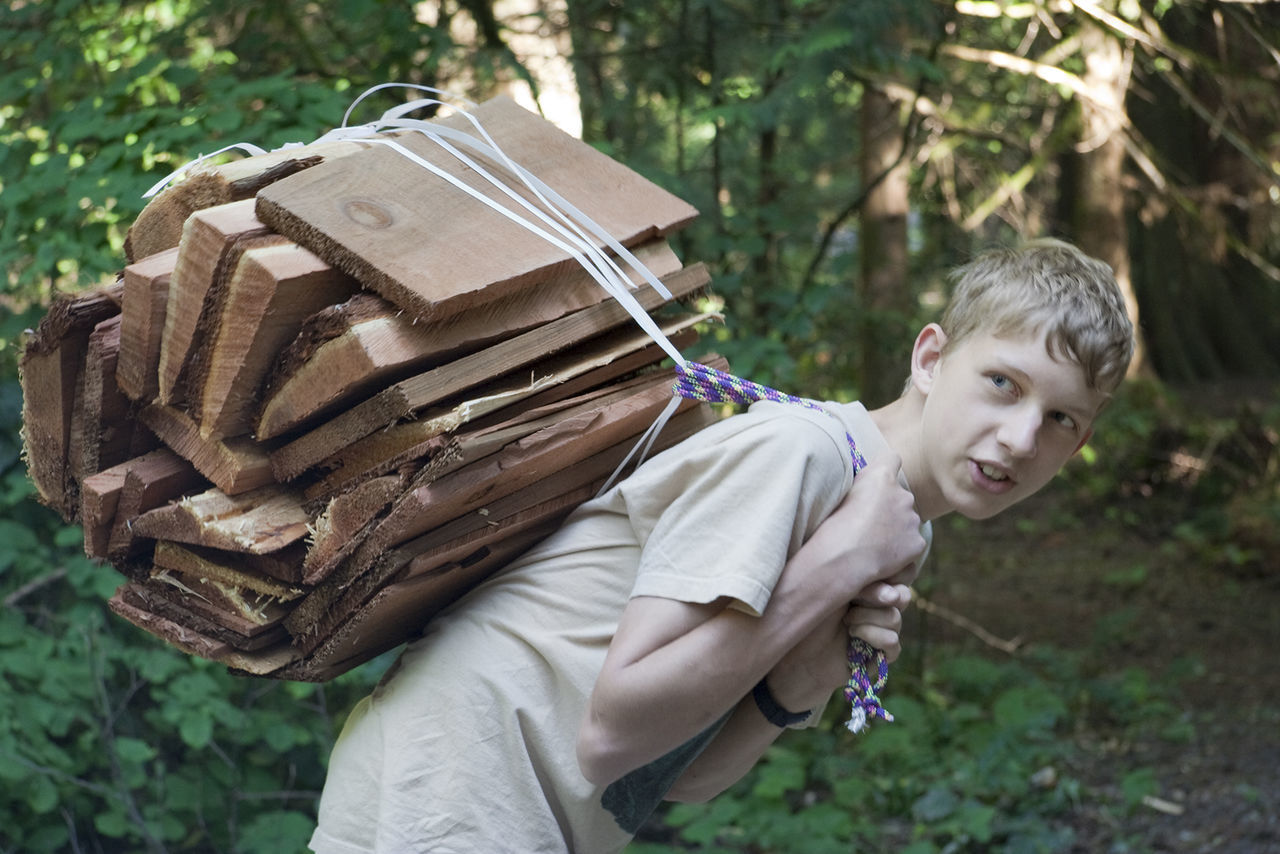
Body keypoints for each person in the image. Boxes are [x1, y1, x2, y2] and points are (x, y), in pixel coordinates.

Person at [307, 237, 1135, 854]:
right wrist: (835, 568)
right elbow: (614, 729)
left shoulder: (887, 526)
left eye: (1060, 419)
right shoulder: (801, 456)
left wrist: (796, 688)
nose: (1022, 437)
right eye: (1003, 383)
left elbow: (675, 779)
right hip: (450, 787)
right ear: (931, 358)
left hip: (516, 811)